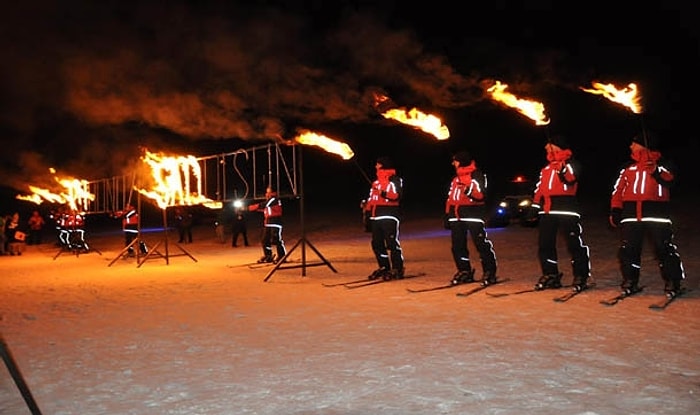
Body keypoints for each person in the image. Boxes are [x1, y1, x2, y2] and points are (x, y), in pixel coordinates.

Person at [609, 132, 686, 298]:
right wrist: (616, 209)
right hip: (631, 215)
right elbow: (618, 190)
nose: (631, 146)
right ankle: (631, 280)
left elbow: (671, 181)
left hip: (656, 214)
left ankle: (673, 281)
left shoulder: (663, 163)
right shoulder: (628, 167)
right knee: (629, 249)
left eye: (634, 143)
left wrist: (656, 171)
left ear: (643, 145)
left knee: (663, 248)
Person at [531, 135, 591, 292]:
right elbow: (540, 188)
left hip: (567, 210)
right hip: (547, 211)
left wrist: (562, 169)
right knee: (545, 244)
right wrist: (535, 205)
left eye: (551, 149)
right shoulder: (546, 169)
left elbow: (570, 179)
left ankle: (581, 275)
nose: (548, 152)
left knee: (574, 244)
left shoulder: (572, 164)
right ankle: (551, 274)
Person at [444, 151, 498, 286]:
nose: (453, 163)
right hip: (456, 216)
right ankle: (464, 270)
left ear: (461, 161)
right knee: (457, 246)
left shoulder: (476, 174)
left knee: (481, 244)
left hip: (473, 215)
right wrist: (447, 214)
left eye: (455, 160)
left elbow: (481, 195)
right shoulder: (456, 178)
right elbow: (450, 198)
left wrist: (468, 190)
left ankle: (489, 271)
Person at [363, 156, 405, 280]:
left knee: (392, 244)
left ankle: (397, 268)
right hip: (376, 217)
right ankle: (384, 267)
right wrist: (367, 208)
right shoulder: (375, 182)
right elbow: (372, 200)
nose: (375, 166)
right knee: (376, 244)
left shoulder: (395, 180)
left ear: (382, 165)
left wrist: (383, 193)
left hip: (389, 216)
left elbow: (397, 196)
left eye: (377, 164)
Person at [248, 187, 286, 263]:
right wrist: (251, 209)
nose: (267, 194)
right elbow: (265, 209)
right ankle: (268, 255)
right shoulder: (269, 201)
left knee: (276, 240)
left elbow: (264, 205)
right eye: (266, 192)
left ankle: (282, 256)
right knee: (265, 240)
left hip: (275, 222)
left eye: (269, 192)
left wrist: (250, 208)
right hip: (268, 223)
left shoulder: (274, 199)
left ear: (273, 193)